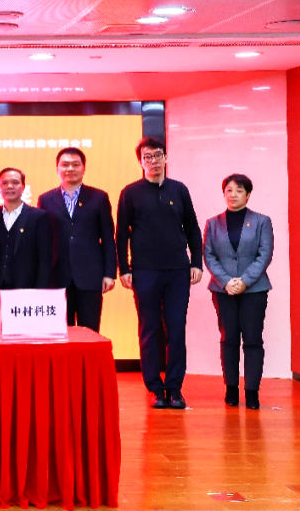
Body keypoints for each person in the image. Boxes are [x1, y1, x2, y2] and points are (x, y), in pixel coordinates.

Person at [117, 137, 203, 410]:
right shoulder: (130, 192)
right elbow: (121, 234)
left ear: (166, 158)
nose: (153, 161)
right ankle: (155, 389)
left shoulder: (179, 190)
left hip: (178, 271)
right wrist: (124, 268)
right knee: (149, 330)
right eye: (147, 157)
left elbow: (192, 229)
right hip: (145, 272)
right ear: (140, 161)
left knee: (176, 329)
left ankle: (175, 389)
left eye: (157, 155)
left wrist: (196, 262)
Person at [203, 174, 274, 410]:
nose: (233, 195)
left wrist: (244, 281)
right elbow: (209, 255)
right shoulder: (213, 223)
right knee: (229, 339)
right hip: (223, 291)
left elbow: (264, 255)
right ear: (224, 194)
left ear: (248, 195)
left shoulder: (262, 221)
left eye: (239, 190)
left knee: (252, 340)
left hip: (254, 290)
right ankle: (231, 389)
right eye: (229, 190)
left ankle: (252, 392)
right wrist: (226, 282)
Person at [37, 147, 117, 332]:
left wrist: (109, 273)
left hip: (90, 276)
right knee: (59, 333)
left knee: (89, 332)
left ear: (84, 168)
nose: (70, 169)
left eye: (75, 164)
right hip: (57, 276)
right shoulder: (45, 199)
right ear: (57, 168)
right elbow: (42, 242)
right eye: (65, 165)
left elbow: (108, 238)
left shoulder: (99, 197)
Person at [0, 168, 52, 328]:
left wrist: (41, 292)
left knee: (23, 337)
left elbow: (44, 258)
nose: (9, 186)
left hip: (27, 291)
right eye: (4, 183)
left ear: (23, 187)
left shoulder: (38, 217)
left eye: (15, 182)